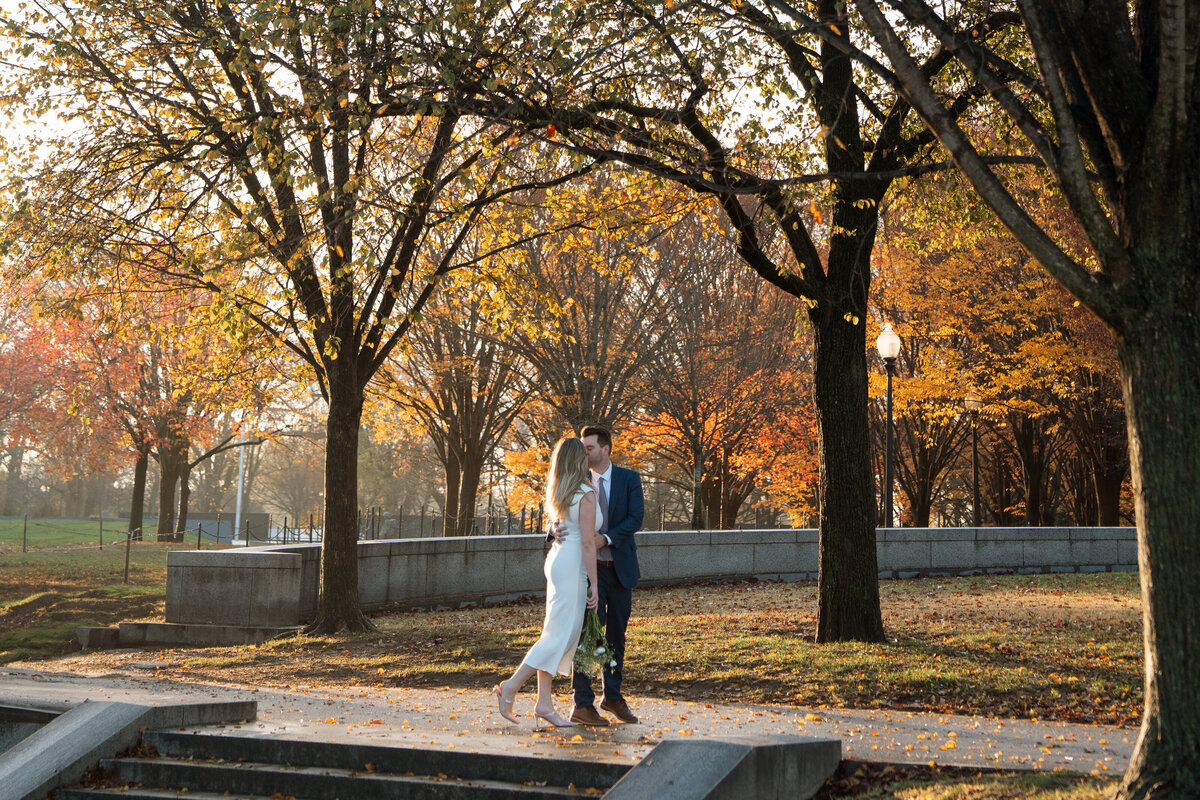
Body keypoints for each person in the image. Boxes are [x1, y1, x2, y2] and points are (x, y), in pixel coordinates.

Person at [492, 437, 599, 727]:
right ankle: (510, 686)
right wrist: (595, 584)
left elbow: (562, 527)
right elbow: (588, 543)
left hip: (557, 561)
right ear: (579, 460)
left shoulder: (560, 490)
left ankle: (544, 704)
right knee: (559, 635)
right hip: (572, 564)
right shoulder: (586, 493)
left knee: (557, 632)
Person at [569, 425, 644, 726]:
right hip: (589, 572)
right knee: (589, 637)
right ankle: (582, 703)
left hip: (621, 570)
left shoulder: (629, 479)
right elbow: (557, 513)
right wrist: (553, 531)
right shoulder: (576, 480)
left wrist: (608, 538)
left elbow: (635, 518)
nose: (584, 452)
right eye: (583, 447)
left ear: (606, 449)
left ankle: (612, 696)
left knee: (616, 636)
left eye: (589, 447)